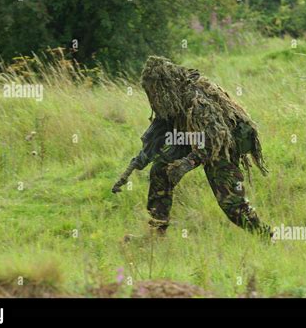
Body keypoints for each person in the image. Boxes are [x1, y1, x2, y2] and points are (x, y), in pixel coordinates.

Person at [114, 56, 271, 238]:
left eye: (154, 90)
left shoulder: (195, 100)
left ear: (163, 86)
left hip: (222, 145)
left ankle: (266, 236)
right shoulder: (170, 101)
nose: (152, 97)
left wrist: (187, 163)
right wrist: (134, 166)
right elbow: (158, 134)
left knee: (231, 204)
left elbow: (214, 139)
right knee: (160, 171)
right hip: (192, 138)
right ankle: (156, 232)